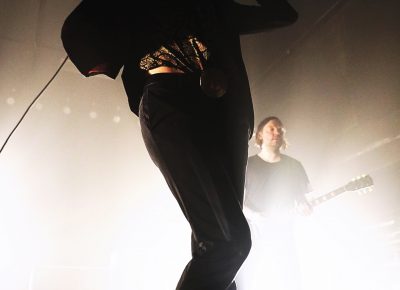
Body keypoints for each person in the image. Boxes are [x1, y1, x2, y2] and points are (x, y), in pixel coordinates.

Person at [61, 1, 298, 289]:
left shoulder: (215, 8)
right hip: (173, 104)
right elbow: (83, 37)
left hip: (228, 120)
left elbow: (283, 14)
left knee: (219, 253)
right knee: (228, 242)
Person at [237, 116, 313, 290]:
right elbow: (235, 200)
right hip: (252, 235)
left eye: (280, 129)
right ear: (260, 135)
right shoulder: (247, 165)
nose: (276, 132)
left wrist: (305, 207)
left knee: (289, 279)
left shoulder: (295, 166)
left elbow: (306, 198)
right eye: (271, 129)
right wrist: (255, 216)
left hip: (283, 234)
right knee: (245, 278)